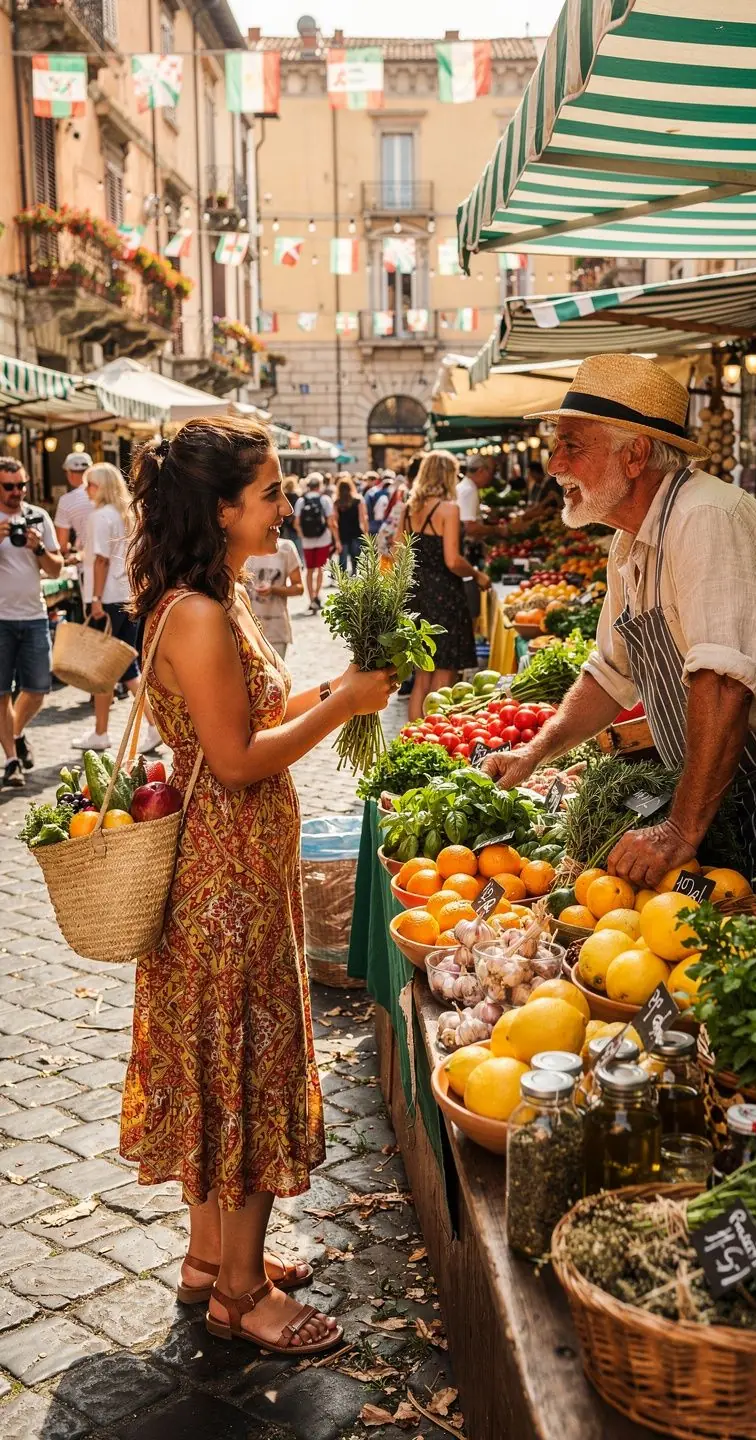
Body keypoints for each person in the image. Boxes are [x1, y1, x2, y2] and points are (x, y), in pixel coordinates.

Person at [121, 416, 396, 1355]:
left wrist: (336, 690)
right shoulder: (197, 612)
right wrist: (349, 709)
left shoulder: (212, 595)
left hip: (235, 878)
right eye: (273, 492)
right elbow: (235, 759)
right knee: (241, 1072)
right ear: (223, 508)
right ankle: (241, 1293)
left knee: (217, 1071)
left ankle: (208, 1261)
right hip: (223, 889)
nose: (289, 505)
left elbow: (256, 713)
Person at [482, 353, 756, 886]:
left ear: (635, 454)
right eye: (555, 445)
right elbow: (610, 674)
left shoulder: (704, 519)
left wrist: (682, 829)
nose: (553, 465)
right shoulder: (629, 541)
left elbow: (726, 684)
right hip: (716, 788)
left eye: (572, 446)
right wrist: (534, 752)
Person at [71, 463, 161, 753]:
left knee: (106, 667)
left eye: (90, 485)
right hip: (126, 594)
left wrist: (95, 598)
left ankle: (104, 731)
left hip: (108, 597)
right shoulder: (129, 514)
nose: (86, 490)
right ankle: (145, 723)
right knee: (125, 667)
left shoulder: (101, 516)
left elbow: (100, 560)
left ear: (102, 486)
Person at [397, 449, 491, 722]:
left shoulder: (408, 509)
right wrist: (477, 574)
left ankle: (413, 736)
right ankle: (436, 736)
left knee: (421, 675)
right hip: (445, 595)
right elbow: (452, 560)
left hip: (417, 595)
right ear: (447, 475)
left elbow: (400, 552)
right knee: (444, 673)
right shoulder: (449, 510)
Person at [0, 457, 63, 786]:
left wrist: (39, 548)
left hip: (34, 615)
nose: (16, 492)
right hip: (0, 619)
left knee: (38, 688)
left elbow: (55, 569)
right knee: (1, 692)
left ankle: (17, 732)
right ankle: (11, 759)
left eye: (21, 485)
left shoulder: (38, 517)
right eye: (9, 486)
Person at [244, 539, 303, 659]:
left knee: (276, 676)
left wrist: (274, 590)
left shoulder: (286, 548)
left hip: (276, 628)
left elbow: (299, 588)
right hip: (247, 629)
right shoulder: (242, 546)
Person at [293, 473, 338, 613]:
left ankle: (311, 598)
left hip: (307, 541)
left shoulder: (301, 501)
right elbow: (331, 522)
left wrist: (302, 535)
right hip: (323, 539)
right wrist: (337, 539)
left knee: (309, 570)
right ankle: (317, 595)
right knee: (320, 569)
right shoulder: (325, 500)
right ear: (320, 485)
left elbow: (296, 523)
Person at [54, 451, 93, 560]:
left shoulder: (66, 500)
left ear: (69, 473)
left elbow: (61, 545)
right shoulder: (109, 493)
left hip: (87, 562)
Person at [334, 475, 368, 572]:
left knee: (342, 561)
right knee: (356, 560)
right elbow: (364, 518)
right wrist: (366, 533)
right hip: (356, 533)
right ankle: (355, 579)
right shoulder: (358, 500)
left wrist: (336, 539)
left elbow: (334, 522)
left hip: (342, 534)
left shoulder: (337, 503)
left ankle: (343, 583)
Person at [280, 477, 302, 562]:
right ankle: (297, 561)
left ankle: (285, 562)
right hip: (294, 525)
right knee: (296, 545)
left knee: (284, 544)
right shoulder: (297, 497)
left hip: (283, 524)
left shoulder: (283, 495)